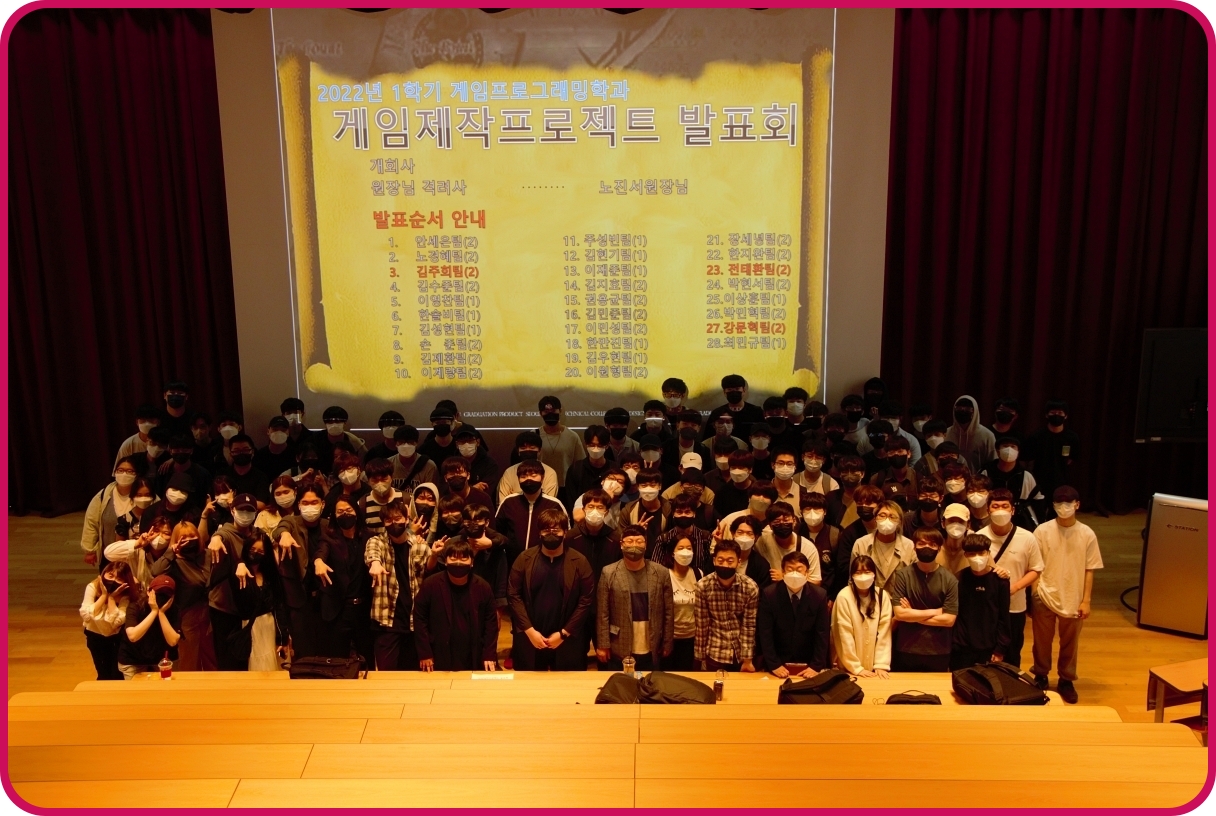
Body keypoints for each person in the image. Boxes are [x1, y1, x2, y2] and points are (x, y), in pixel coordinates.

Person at [1031, 486, 1103, 704]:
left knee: (1070, 643)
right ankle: (1041, 675)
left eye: (1068, 503)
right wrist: (1035, 592)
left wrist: (1086, 600)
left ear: (1077, 505)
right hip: (1045, 593)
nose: (1064, 507)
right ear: (1053, 506)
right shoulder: (1042, 531)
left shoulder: (1087, 533)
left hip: (1073, 596)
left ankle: (1066, 679)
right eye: (1059, 503)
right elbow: (1034, 564)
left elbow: (1090, 568)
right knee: (1041, 640)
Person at [506, 507, 595, 671]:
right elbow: (513, 595)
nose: (551, 534)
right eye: (546, 530)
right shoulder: (524, 559)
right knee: (529, 683)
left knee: (567, 684)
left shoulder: (579, 562)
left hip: (568, 640)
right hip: (530, 637)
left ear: (565, 532)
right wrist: (530, 631)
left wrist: (564, 634)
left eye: (556, 530)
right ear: (539, 533)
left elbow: (586, 600)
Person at [208, 492, 278, 668]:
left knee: (249, 659)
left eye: (249, 511)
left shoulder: (257, 534)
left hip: (248, 609)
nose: (245, 515)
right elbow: (221, 536)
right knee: (228, 661)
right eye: (241, 510)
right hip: (225, 607)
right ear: (232, 510)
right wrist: (215, 539)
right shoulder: (226, 533)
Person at [979, 488, 1044, 668]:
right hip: (987, 606)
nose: (1000, 510)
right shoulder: (979, 536)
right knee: (987, 653)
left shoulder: (1027, 538)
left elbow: (1036, 569)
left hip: (1015, 606)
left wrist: (1015, 587)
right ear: (988, 510)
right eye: (995, 506)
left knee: (1013, 652)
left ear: (1013, 510)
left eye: (1005, 506)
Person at [365, 499, 432, 670]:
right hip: (386, 621)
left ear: (407, 519)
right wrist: (375, 564)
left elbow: (430, 575)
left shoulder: (420, 546)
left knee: (412, 675)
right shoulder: (377, 542)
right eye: (388, 520)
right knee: (386, 674)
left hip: (413, 620)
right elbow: (372, 553)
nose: (393, 523)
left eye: (397, 518)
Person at [595, 525, 674, 671]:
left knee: (650, 682)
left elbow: (669, 611)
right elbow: (602, 613)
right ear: (621, 544)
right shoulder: (608, 572)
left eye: (639, 541)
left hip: (652, 642)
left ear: (646, 544)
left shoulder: (661, 572)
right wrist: (603, 644)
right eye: (630, 541)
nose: (634, 545)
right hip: (619, 643)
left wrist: (667, 642)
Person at [414, 539, 499, 671]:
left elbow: (491, 623)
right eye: (453, 558)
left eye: (464, 558)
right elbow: (419, 619)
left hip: (473, 653)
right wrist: (425, 653)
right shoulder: (430, 585)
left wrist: (489, 653)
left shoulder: (483, 587)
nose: (458, 562)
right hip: (439, 653)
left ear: (472, 562)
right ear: (445, 561)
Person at [310, 496, 374, 665]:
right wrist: (318, 562)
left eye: (348, 510)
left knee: (367, 657)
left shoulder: (369, 537)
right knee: (337, 661)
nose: (345, 515)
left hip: (364, 609)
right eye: (340, 512)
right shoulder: (329, 538)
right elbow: (320, 553)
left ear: (356, 512)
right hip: (338, 609)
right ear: (334, 515)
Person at [888, 528, 958, 672]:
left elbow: (949, 620)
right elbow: (900, 614)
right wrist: (936, 611)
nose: (927, 547)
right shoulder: (903, 575)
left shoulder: (950, 579)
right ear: (914, 547)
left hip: (939, 650)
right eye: (921, 543)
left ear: (939, 548)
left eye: (932, 544)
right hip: (906, 648)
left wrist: (912, 614)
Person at [564, 488, 622, 660]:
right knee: (574, 658)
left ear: (607, 511)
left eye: (600, 507)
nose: (595, 511)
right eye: (590, 506)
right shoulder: (570, 538)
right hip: (576, 605)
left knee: (606, 657)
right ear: (583, 509)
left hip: (606, 607)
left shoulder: (616, 539)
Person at [151, 521, 216, 671]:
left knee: (211, 658)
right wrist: (171, 552)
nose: (189, 540)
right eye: (184, 538)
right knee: (189, 659)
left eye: (192, 536)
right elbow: (155, 571)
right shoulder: (173, 561)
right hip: (187, 616)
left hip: (210, 613)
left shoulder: (207, 555)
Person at [756, 552, 830, 677]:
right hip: (778, 663)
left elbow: (822, 633)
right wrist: (774, 664)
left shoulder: (819, 595)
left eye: (799, 570)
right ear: (783, 572)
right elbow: (765, 632)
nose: (794, 574)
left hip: (809, 663)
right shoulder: (769, 594)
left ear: (807, 573)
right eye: (790, 570)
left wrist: (815, 666)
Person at [226, 531, 290, 671]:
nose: (255, 554)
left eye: (260, 551)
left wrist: (283, 637)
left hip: (270, 627)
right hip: (252, 628)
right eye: (252, 549)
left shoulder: (270, 574)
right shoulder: (238, 572)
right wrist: (240, 563)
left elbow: (279, 604)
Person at [693, 539, 758, 671]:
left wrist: (747, 659)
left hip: (740, 652)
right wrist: (700, 658)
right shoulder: (703, 586)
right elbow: (702, 624)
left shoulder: (750, 587)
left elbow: (749, 625)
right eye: (720, 560)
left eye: (730, 561)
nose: (725, 565)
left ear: (738, 562)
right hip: (714, 650)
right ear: (714, 561)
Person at [950, 534, 1011, 670]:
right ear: (965, 555)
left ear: (988, 553)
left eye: (981, 553)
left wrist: (1000, 649)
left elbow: (1004, 617)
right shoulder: (958, 578)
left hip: (989, 646)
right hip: (962, 646)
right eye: (972, 554)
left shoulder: (1000, 581)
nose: (977, 557)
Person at [495, 459, 568, 565]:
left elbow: (566, 533)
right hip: (512, 561)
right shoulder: (508, 502)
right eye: (523, 476)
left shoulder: (554, 504)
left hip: (545, 562)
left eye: (533, 475)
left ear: (542, 477)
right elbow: (497, 530)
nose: (528, 479)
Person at [831, 555, 892, 677]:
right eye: (858, 572)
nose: (863, 576)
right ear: (852, 576)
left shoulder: (882, 595)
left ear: (874, 574)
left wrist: (881, 664)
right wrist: (855, 668)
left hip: (874, 668)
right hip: (848, 669)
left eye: (867, 572)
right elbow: (844, 634)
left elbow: (884, 632)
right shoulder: (844, 596)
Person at [81, 456, 143, 569]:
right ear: (115, 472)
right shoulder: (103, 495)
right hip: (109, 555)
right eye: (120, 470)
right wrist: (89, 550)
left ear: (137, 474)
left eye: (130, 471)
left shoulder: (146, 494)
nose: (124, 474)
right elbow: (91, 522)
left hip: (137, 556)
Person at [118, 574, 181, 679]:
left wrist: (161, 613)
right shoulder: (136, 605)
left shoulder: (175, 610)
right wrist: (154, 611)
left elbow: (172, 641)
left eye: (167, 594)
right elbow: (133, 636)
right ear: (148, 591)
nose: (162, 596)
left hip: (163, 660)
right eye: (159, 593)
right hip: (134, 659)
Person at [1025, 401, 1081, 520]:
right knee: (1039, 515)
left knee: (1059, 516)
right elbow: (1028, 459)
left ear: (1066, 416)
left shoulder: (1072, 437)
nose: (1056, 415)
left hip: (1062, 481)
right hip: (1039, 482)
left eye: (1060, 413)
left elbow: (1072, 459)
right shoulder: (1036, 436)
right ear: (1046, 415)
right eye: (1053, 412)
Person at [80, 560, 135, 680]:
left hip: (115, 639)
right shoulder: (93, 586)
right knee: (102, 673)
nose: (113, 580)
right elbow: (86, 615)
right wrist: (104, 596)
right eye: (111, 575)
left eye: (119, 578)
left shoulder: (126, 596)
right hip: (94, 636)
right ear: (104, 573)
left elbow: (115, 622)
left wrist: (111, 599)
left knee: (117, 674)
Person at [849, 499, 915, 594]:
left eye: (892, 517)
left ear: (899, 522)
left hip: (898, 600)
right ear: (875, 518)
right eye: (882, 516)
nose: (887, 520)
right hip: (868, 598)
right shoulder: (861, 544)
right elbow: (852, 579)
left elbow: (913, 581)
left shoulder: (909, 546)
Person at [755, 502, 822, 586]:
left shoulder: (808, 548)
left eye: (786, 520)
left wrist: (786, 578)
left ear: (794, 521)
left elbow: (816, 582)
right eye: (777, 521)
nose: (782, 524)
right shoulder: (762, 541)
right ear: (770, 525)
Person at [982, 436, 1042, 529]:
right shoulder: (986, 472)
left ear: (1018, 452)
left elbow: (1037, 500)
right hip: (992, 516)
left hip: (1020, 519)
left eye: (1013, 447)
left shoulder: (1025, 475)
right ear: (998, 451)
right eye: (1005, 446)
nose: (1009, 449)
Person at [535, 395, 586, 502]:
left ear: (560, 411)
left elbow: (580, 464)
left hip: (566, 488)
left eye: (553, 410)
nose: (550, 414)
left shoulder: (572, 436)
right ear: (540, 413)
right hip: (540, 487)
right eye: (546, 411)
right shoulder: (534, 435)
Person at [665, 534, 703, 671]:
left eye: (689, 548)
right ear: (672, 552)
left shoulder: (698, 574)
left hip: (692, 637)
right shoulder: (664, 574)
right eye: (680, 548)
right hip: (669, 638)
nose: (685, 552)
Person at [104, 515, 172, 589]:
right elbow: (108, 553)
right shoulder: (138, 550)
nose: (159, 536)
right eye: (156, 531)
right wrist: (137, 544)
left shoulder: (172, 556)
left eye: (166, 533)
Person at [651, 495, 713, 572]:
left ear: (694, 514)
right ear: (673, 514)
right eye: (679, 512)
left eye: (687, 512)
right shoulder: (663, 539)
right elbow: (655, 568)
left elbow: (711, 567)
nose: (683, 515)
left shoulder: (705, 537)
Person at [497, 431, 559, 504]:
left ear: (539, 450)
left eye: (532, 448)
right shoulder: (509, 472)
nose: (527, 451)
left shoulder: (550, 472)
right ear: (518, 451)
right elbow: (503, 502)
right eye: (523, 448)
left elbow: (549, 502)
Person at [701, 374, 765, 442]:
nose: (734, 392)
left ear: (744, 390)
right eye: (729, 389)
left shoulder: (756, 411)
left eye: (737, 389)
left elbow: (764, 435)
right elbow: (708, 439)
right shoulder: (717, 413)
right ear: (724, 392)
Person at [564, 426, 614, 508]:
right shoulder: (576, 469)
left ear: (607, 445)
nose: (595, 449)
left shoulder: (614, 469)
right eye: (592, 445)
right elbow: (570, 499)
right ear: (586, 444)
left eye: (600, 445)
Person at [799, 492, 838, 595]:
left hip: (827, 593)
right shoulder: (795, 532)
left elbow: (838, 571)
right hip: (799, 590)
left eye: (817, 508)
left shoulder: (835, 535)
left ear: (825, 511)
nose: (812, 512)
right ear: (801, 512)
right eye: (808, 508)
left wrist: (832, 596)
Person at [154, 434, 212, 504]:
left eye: (185, 450)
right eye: (177, 450)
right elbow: (159, 496)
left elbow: (205, 498)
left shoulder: (202, 474)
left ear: (191, 451)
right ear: (170, 451)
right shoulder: (163, 472)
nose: (181, 452)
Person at [215, 435, 269, 506]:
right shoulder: (222, 474)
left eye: (245, 450)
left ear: (252, 452)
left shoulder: (261, 477)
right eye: (236, 451)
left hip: (251, 512)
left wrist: (236, 503)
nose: (241, 453)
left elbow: (261, 504)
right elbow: (212, 499)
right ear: (231, 454)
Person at [945, 395, 996, 472]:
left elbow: (993, 463)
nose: (963, 411)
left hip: (978, 478)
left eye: (968, 409)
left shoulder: (987, 435)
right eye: (959, 408)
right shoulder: (946, 433)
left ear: (974, 411)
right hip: (951, 477)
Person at [389, 426, 438, 498]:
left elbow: (429, 495)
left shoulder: (429, 466)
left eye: (410, 442)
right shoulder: (388, 464)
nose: (406, 445)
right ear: (396, 444)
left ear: (416, 443)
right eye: (402, 442)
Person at [619, 468, 668, 541]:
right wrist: (635, 531)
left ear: (660, 486)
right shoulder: (628, 510)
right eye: (644, 485)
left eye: (652, 485)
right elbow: (622, 538)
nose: (648, 489)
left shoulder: (669, 509)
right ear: (638, 487)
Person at [358, 458, 402, 535]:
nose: (379, 483)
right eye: (375, 480)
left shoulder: (405, 499)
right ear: (368, 481)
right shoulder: (362, 504)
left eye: (384, 479)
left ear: (392, 477)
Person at [317, 406, 367, 472]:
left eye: (337, 421)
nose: (334, 425)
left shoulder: (354, 442)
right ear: (325, 423)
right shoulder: (316, 440)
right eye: (330, 422)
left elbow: (363, 465)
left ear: (345, 422)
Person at [454, 427, 500, 494]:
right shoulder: (450, 464)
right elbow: (446, 491)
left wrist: (461, 490)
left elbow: (486, 492)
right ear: (457, 444)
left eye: (470, 440)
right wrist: (473, 488)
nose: (466, 444)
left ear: (478, 442)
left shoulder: (490, 464)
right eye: (462, 441)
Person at [114, 403, 159, 469]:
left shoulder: (165, 441)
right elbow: (119, 470)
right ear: (137, 422)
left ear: (158, 421)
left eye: (151, 420)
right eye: (143, 420)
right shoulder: (129, 444)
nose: (147, 423)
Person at [712, 450, 755, 518]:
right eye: (733, 468)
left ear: (750, 470)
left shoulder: (757, 491)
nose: (737, 471)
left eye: (741, 468)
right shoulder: (722, 492)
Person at [255, 416, 298, 480]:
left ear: (288, 433)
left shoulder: (295, 455)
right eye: (275, 429)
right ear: (268, 431)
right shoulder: (260, 456)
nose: (279, 433)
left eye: (283, 430)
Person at [938, 504, 971, 574]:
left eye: (961, 521)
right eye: (951, 521)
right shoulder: (935, 550)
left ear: (968, 525)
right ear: (943, 523)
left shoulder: (977, 550)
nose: (956, 525)